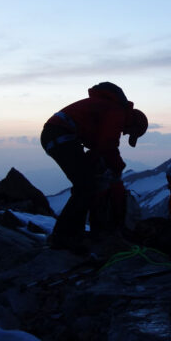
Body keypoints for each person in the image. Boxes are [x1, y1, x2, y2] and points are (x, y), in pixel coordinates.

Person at [41, 82, 148, 251]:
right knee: (86, 186)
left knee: (85, 184)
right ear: (133, 123)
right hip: (60, 135)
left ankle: (73, 233)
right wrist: (118, 167)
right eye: (129, 132)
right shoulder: (116, 112)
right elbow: (108, 145)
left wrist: (103, 161)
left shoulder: (109, 108)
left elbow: (97, 146)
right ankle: (64, 236)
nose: (124, 133)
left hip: (57, 134)